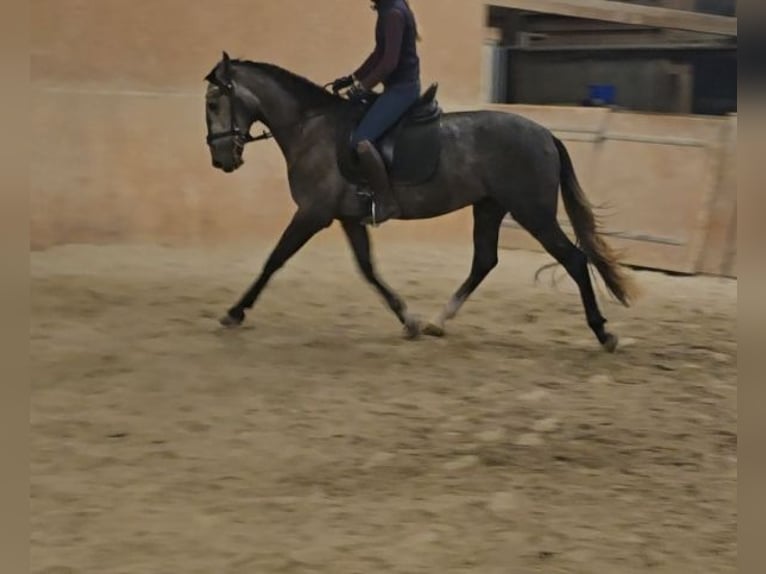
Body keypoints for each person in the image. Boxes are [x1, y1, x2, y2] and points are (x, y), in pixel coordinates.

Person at [332, 0, 422, 225]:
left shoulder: (393, 13)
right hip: (394, 87)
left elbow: (389, 62)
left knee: (361, 140)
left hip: (403, 89)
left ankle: (386, 202)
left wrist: (363, 87)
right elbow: (378, 53)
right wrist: (353, 78)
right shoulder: (389, 9)